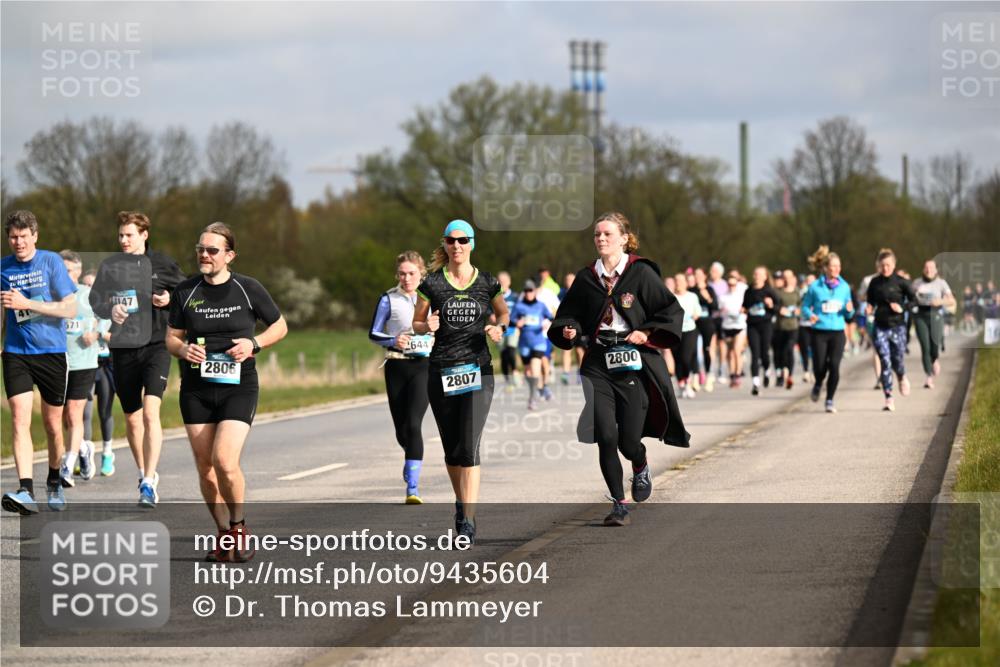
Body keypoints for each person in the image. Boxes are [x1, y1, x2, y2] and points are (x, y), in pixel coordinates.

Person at [549, 211, 689, 527]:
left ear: (624, 239)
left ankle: (639, 463)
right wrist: (569, 330)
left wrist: (646, 331)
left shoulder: (641, 273)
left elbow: (670, 310)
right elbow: (568, 315)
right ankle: (618, 504)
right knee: (606, 435)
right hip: (598, 362)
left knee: (628, 441)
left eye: (607, 234)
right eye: (597, 234)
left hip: (632, 363)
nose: (601, 239)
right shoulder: (587, 278)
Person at [167, 222, 287, 562]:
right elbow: (171, 338)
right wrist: (182, 349)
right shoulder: (185, 291)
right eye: (200, 249)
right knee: (205, 467)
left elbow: (280, 326)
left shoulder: (248, 288)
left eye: (212, 250)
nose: (204, 255)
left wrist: (254, 343)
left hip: (239, 386)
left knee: (224, 460)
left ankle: (239, 526)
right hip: (196, 388)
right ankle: (222, 533)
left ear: (229, 255)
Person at [412, 220, 508, 545]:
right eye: (451, 241)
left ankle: (468, 518)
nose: (457, 246)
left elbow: (503, 314)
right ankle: (461, 500)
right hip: (442, 370)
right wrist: (427, 325)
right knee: (453, 449)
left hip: (479, 369)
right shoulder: (432, 283)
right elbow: (416, 322)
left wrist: (499, 328)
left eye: (463, 240)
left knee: (469, 445)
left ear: (472, 244)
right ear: (444, 244)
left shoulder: (488, 282)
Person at [90, 211, 184, 507]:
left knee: (150, 412)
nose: (123, 240)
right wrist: (110, 310)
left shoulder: (164, 264)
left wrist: (168, 299)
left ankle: (148, 481)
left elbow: (186, 294)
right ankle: (145, 474)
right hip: (123, 348)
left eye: (129, 235)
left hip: (156, 345)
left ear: (144, 235)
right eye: (120, 235)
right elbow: (95, 301)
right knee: (132, 418)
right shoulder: (110, 266)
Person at [1, 210, 78, 514]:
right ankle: (25, 489)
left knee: (52, 425)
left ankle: (54, 480)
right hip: (16, 353)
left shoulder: (50, 262)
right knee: (19, 419)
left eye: (23, 236)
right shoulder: (3, 267)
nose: (18, 242)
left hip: (51, 353)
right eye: (13, 237)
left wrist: (28, 304)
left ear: (35, 235)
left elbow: (70, 309)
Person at [369, 251, 432, 503]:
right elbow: (374, 332)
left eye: (411, 273)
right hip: (396, 365)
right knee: (402, 431)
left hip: (424, 366)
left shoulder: (431, 298)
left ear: (421, 273)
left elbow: (446, 328)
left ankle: (413, 488)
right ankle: (411, 456)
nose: (406, 278)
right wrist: (393, 339)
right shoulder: (388, 299)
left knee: (414, 424)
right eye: (402, 274)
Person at [57, 251, 100, 487]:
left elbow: (108, 317)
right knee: (64, 416)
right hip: (58, 362)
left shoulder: (88, 295)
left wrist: (95, 333)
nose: (63, 275)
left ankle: (67, 465)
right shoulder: (51, 295)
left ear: (78, 271)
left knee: (74, 412)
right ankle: (83, 448)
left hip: (84, 362)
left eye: (68, 271)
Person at [802, 245, 854, 413]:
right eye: (833, 266)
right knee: (819, 367)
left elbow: (849, 312)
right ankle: (818, 383)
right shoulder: (815, 287)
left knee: (835, 365)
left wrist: (849, 310)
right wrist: (810, 315)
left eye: (838, 266)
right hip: (819, 332)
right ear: (825, 268)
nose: (836, 269)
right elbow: (805, 306)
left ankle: (830, 399)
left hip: (838, 332)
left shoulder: (844, 287)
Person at [866, 248, 916, 411]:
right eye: (882, 265)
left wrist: (902, 308)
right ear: (878, 266)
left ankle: (901, 376)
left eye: (888, 265)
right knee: (885, 361)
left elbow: (915, 300)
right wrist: (869, 307)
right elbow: (870, 300)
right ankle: (888, 397)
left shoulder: (902, 282)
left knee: (897, 360)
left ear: (894, 265)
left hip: (898, 327)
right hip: (880, 326)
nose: (885, 268)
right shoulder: (874, 283)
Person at [912, 259, 955, 389]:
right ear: (923, 269)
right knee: (925, 347)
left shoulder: (941, 283)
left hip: (935, 314)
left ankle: (935, 359)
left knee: (934, 346)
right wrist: (914, 299)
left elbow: (952, 301)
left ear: (936, 270)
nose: (928, 270)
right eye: (926, 267)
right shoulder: (916, 283)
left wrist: (940, 301)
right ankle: (929, 376)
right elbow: (909, 298)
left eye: (931, 268)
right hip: (920, 315)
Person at [511, 280, 554, 410]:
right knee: (528, 371)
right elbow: (511, 320)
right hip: (524, 343)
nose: (528, 293)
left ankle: (533, 398)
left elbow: (551, 317)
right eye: (526, 291)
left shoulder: (541, 305)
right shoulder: (519, 306)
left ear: (534, 291)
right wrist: (517, 323)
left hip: (538, 342)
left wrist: (547, 323)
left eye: (530, 290)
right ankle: (539, 389)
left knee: (536, 368)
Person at [742, 266, 779, 395]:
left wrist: (771, 305)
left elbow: (778, 308)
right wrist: (743, 309)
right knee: (755, 354)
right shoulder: (749, 291)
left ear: (765, 277)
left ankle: (767, 371)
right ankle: (755, 383)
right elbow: (745, 306)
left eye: (759, 274)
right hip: (752, 325)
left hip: (766, 325)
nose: (756, 276)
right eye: (755, 274)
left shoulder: (769, 291)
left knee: (764, 353)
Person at [672, 272, 701, 399]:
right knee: (677, 359)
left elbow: (698, 311)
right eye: (676, 281)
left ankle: (688, 382)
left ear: (685, 283)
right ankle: (681, 385)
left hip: (690, 330)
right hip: (675, 332)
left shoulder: (692, 296)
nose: (678, 283)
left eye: (681, 281)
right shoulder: (671, 297)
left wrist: (694, 315)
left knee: (686, 358)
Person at [718, 270, 748, 388]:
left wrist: (743, 310)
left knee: (737, 350)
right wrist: (723, 311)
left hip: (740, 325)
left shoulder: (742, 294)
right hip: (727, 326)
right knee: (730, 353)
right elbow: (719, 311)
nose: (732, 286)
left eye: (734, 284)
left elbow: (747, 306)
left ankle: (738, 374)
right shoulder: (723, 297)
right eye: (729, 284)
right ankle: (732, 375)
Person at [773, 269, 801, 390]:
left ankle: (789, 375)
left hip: (793, 326)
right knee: (778, 352)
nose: (786, 279)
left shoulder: (797, 292)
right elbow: (772, 306)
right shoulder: (777, 292)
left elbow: (802, 305)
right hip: (779, 327)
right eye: (784, 277)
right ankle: (780, 374)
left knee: (789, 349)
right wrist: (779, 309)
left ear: (793, 278)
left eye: (789, 277)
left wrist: (799, 310)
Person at [693, 267, 717, 392]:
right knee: (694, 350)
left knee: (706, 349)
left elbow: (715, 306)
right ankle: (696, 376)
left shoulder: (709, 289)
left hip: (707, 323)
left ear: (704, 276)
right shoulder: (691, 290)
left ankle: (709, 375)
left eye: (699, 274)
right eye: (695, 275)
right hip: (694, 324)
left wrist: (707, 297)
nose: (697, 277)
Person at [559, 272, 586, 384]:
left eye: (571, 280)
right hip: (565, 324)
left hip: (578, 325)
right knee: (566, 349)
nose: (569, 282)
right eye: (567, 280)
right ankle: (566, 373)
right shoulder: (560, 294)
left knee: (579, 350)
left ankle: (580, 371)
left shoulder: (582, 292)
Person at [496, 271, 520, 391]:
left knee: (511, 350)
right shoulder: (495, 296)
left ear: (509, 282)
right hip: (499, 329)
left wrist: (520, 321)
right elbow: (488, 310)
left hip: (512, 328)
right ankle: (507, 380)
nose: (503, 283)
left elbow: (521, 310)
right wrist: (491, 316)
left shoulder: (515, 296)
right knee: (504, 355)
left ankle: (515, 371)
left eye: (504, 281)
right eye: (500, 281)